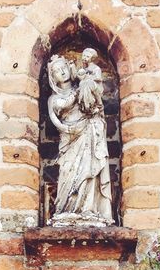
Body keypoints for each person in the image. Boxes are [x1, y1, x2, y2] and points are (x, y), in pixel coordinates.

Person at [47, 53, 113, 224]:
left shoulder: (83, 87)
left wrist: (88, 84)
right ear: (53, 78)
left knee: (88, 169)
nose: (61, 72)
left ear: (69, 68)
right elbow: (58, 113)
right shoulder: (54, 98)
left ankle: (88, 209)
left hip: (87, 135)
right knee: (68, 171)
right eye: (56, 71)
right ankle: (66, 209)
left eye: (63, 67)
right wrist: (68, 128)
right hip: (69, 140)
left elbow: (95, 105)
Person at [76, 48, 104, 117]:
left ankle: (98, 104)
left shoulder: (96, 68)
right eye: (84, 56)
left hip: (95, 87)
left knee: (87, 83)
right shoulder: (83, 69)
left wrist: (89, 77)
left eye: (87, 56)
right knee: (82, 85)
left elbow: (99, 78)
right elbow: (80, 78)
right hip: (85, 86)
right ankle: (84, 104)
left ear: (92, 58)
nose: (85, 58)